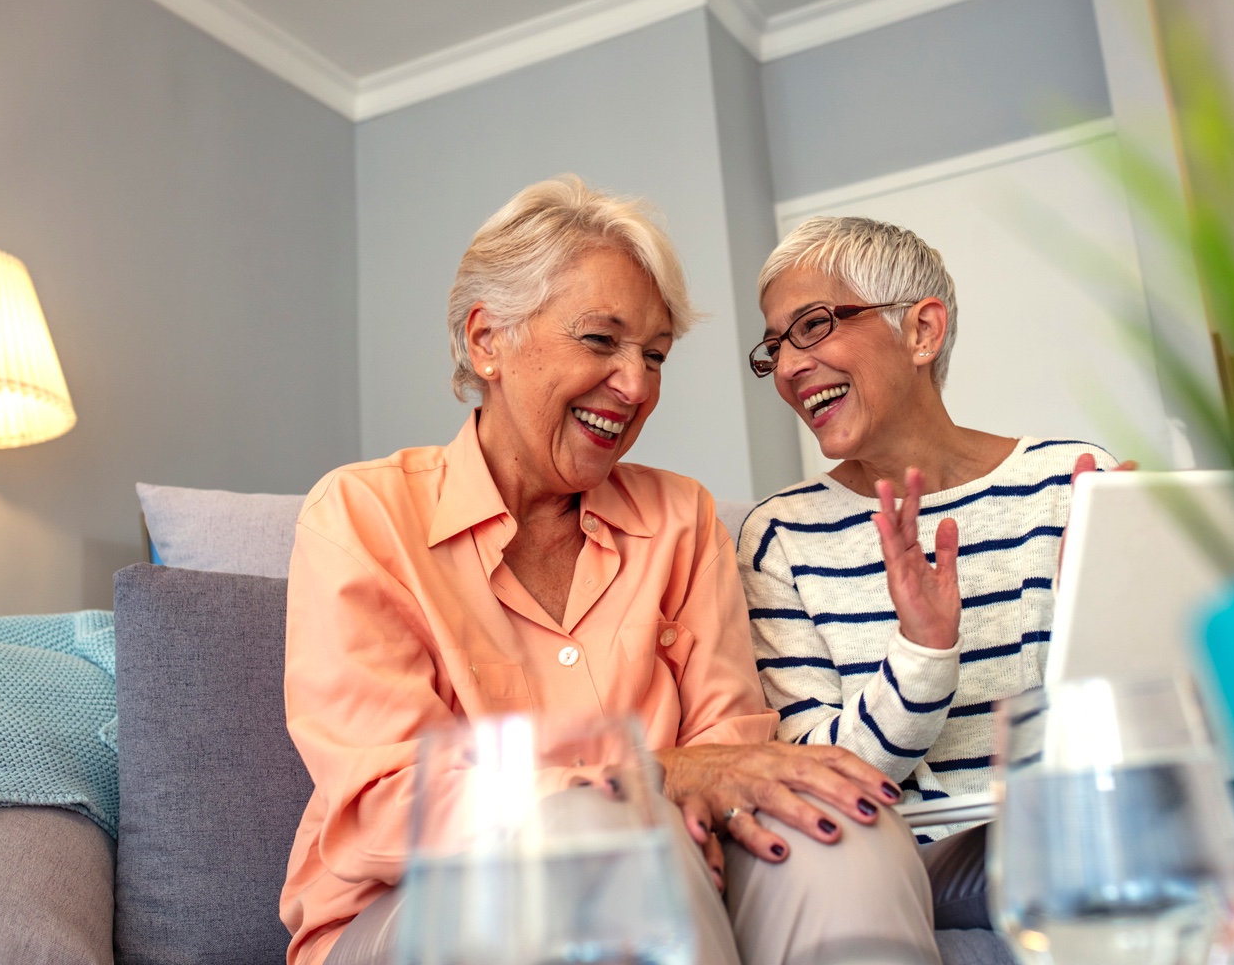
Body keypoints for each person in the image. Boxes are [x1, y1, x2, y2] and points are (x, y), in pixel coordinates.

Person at [280, 180, 947, 965]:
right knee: (599, 839)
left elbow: (734, 755)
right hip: (412, 916)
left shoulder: (682, 519)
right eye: (601, 341)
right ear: (488, 340)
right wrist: (648, 776)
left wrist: (697, 789)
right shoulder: (361, 515)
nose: (635, 387)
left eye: (655, 356)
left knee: (833, 826)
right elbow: (387, 808)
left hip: (679, 882)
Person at [738, 215, 1125, 932]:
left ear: (921, 331)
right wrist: (921, 656)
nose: (788, 367)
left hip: (1086, 827)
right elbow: (818, 780)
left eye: (813, 326)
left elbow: (1132, 723)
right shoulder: (781, 538)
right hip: (920, 864)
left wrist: (1117, 611)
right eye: (774, 345)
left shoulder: (1070, 483)